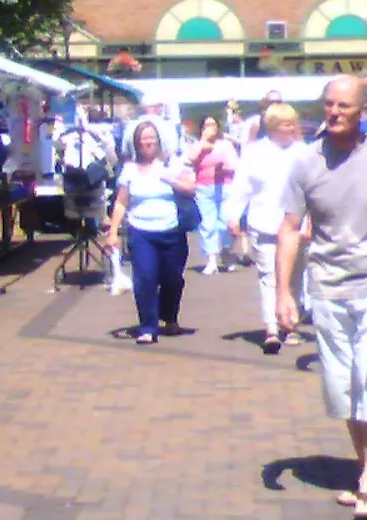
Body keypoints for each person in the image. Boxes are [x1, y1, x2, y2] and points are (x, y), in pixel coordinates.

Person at [276, 75, 367, 520]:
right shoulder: (306, 163)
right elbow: (290, 230)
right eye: (328, 104)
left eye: (344, 106)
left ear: (363, 111)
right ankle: (366, 467)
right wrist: (283, 295)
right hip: (327, 287)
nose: (333, 112)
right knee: (345, 389)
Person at [103, 121, 197, 344]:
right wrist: (113, 231)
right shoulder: (129, 170)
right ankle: (148, 327)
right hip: (141, 231)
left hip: (172, 230)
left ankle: (170, 318)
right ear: (136, 143)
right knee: (145, 278)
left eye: (151, 138)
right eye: (142, 139)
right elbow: (121, 202)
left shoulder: (171, 164)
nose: (147, 142)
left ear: (158, 140)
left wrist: (169, 178)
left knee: (173, 278)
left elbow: (191, 189)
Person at [225, 102, 309, 353]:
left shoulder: (303, 152)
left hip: (295, 226)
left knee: (295, 278)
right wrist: (232, 216)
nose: (292, 128)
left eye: (293, 123)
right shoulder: (254, 153)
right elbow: (242, 186)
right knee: (269, 278)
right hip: (264, 223)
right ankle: (272, 328)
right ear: (272, 127)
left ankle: (290, 324)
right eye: (286, 124)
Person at [55, 112, 126, 293]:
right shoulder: (90, 140)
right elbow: (110, 160)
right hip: (88, 198)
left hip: (79, 196)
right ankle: (92, 237)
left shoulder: (72, 139)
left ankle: (88, 234)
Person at [186, 115, 239, 275]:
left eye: (213, 125)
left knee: (224, 223)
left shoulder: (225, 145)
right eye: (207, 125)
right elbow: (190, 159)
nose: (211, 128)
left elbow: (235, 165)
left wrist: (224, 168)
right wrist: (203, 143)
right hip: (204, 187)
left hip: (224, 186)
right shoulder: (197, 145)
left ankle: (226, 252)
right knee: (207, 224)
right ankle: (211, 260)